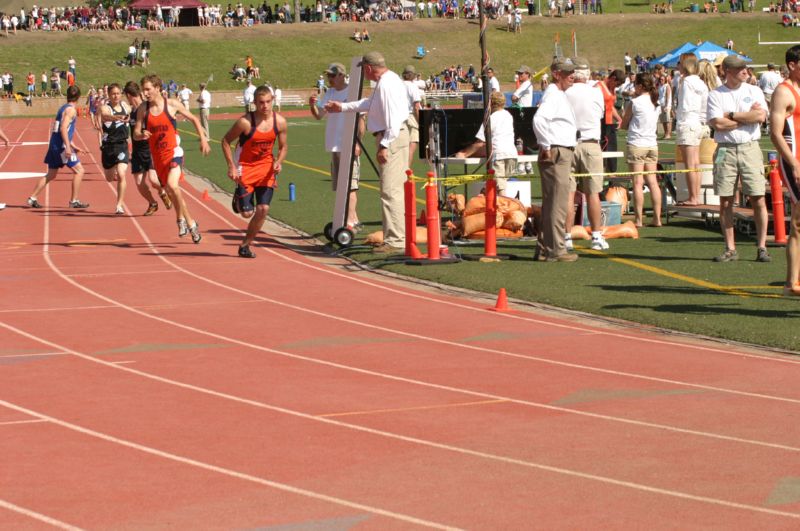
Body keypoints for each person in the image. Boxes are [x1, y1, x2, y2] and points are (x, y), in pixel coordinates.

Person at [325, 51, 410, 254]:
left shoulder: (387, 85)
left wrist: (384, 145)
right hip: (393, 135)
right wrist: (343, 107)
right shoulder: (387, 81)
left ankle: (396, 240)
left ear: (369, 68)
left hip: (392, 136)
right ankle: (395, 237)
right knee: (391, 190)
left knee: (390, 191)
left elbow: (393, 119)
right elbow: (369, 104)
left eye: (364, 69)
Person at [133, 74, 211, 243]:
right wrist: (141, 134)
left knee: (173, 185)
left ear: (158, 88)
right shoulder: (143, 109)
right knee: (172, 191)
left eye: (148, 89)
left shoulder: (172, 105)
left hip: (174, 152)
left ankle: (187, 222)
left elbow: (194, 119)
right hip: (158, 157)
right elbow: (136, 133)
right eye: (143, 90)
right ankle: (183, 220)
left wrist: (203, 139)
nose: (145, 93)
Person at [707, 55, 769, 263]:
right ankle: (730, 248)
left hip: (750, 147)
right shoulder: (716, 95)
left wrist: (731, 115)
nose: (746, 72)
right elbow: (718, 124)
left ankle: (761, 247)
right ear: (728, 71)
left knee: (758, 197)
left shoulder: (754, 90)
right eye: (740, 69)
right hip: (725, 149)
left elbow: (760, 117)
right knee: (725, 200)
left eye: (746, 68)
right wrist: (745, 119)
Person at [221, 86, 288, 258]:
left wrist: (279, 162)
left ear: (272, 100)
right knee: (246, 213)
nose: (265, 106)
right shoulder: (245, 122)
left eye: (268, 102)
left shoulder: (279, 122)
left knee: (263, 209)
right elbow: (226, 141)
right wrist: (231, 166)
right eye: (261, 103)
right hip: (246, 168)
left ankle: (245, 245)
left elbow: (283, 147)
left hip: (266, 169)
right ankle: (239, 198)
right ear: (255, 103)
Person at [533, 58, 578, 262]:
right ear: (556, 74)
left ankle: (545, 247)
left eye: (572, 72)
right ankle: (556, 249)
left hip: (558, 149)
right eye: (568, 73)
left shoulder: (556, 94)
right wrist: (546, 145)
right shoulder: (554, 95)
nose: (572, 76)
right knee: (558, 203)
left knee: (553, 201)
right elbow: (539, 119)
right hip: (557, 151)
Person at [309, 62, 364, 230]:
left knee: (350, 185)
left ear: (341, 75)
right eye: (328, 76)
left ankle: (348, 223)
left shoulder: (353, 92)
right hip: (334, 144)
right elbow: (319, 115)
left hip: (348, 143)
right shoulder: (330, 92)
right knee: (341, 186)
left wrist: (357, 142)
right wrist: (312, 105)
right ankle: (352, 219)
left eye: (332, 76)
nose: (329, 79)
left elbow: (361, 120)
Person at [564, 56, 609, 252]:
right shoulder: (595, 92)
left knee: (568, 194)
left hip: (569, 144)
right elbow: (599, 115)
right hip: (590, 143)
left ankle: (566, 236)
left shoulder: (565, 92)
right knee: (593, 193)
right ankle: (597, 236)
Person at [27, 85, 89, 210]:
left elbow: (61, 129)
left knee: (51, 174)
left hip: (55, 144)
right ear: (78, 97)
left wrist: (73, 146)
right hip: (61, 147)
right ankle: (74, 201)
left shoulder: (62, 108)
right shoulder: (71, 110)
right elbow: (62, 129)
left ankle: (32, 198)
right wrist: (67, 147)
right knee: (79, 171)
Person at [771, 45, 800, 295]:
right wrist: (794, 163)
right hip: (794, 158)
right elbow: (775, 133)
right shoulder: (783, 92)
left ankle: (792, 282)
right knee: (799, 223)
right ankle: (792, 283)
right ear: (792, 65)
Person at [454, 91, 517, 197]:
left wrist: (463, 154)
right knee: (497, 184)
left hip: (499, 156)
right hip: (512, 154)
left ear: (490, 104)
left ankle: (504, 210)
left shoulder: (491, 118)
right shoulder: (508, 115)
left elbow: (480, 142)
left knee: (501, 190)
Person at [123, 80, 172, 216]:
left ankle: (162, 193)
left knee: (154, 180)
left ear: (128, 95)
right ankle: (152, 203)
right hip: (137, 150)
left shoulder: (146, 109)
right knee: (139, 182)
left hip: (150, 148)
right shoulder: (133, 111)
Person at [621, 72, 662, 228]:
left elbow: (624, 124)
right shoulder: (655, 103)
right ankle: (657, 218)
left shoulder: (635, 103)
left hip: (637, 144)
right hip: (652, 144)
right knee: (653, 182)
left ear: (639, 86)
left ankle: (638, 219)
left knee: (638, 182)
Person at [675, 53, 710, 206]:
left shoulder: (686, 81)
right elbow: (704, 106)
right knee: (696, 163)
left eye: (679, 63)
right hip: (698, 123)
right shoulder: (701, 83)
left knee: (690, 164)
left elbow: (684, 106)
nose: (677, 66)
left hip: (687, 122)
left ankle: (693, 197)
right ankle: (695, 195)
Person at [99, 83, 132, 215]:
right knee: (109, 177)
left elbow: (132, 110)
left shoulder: (125, 106)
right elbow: (105, 116)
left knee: (122, 173)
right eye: (113, 93)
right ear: (109, 95)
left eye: (118, 93)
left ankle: (119, 204)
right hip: (108, 147)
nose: (116, 96)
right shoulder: (105, 108)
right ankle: (113, 171)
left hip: (122, 145)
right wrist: (118, 118)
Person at [598, 69, 624, 174]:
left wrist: (619, 118)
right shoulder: (598, 87)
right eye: (617, 84)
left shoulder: (611, 88)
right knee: (601, 152)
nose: (616, 87)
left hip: (609, 124)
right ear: (613, 78)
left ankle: (611, 179)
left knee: (612, 150)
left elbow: (610, 106)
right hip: (600, 123)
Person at [402, 64, 423, 168]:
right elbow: (416, 107)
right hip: (410, 116)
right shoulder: (412, 86)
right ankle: (406, 171)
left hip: (399, 117)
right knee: (412, 145)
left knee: (402, 147)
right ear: (412, 75)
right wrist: (421, 122)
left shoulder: (398, 85)